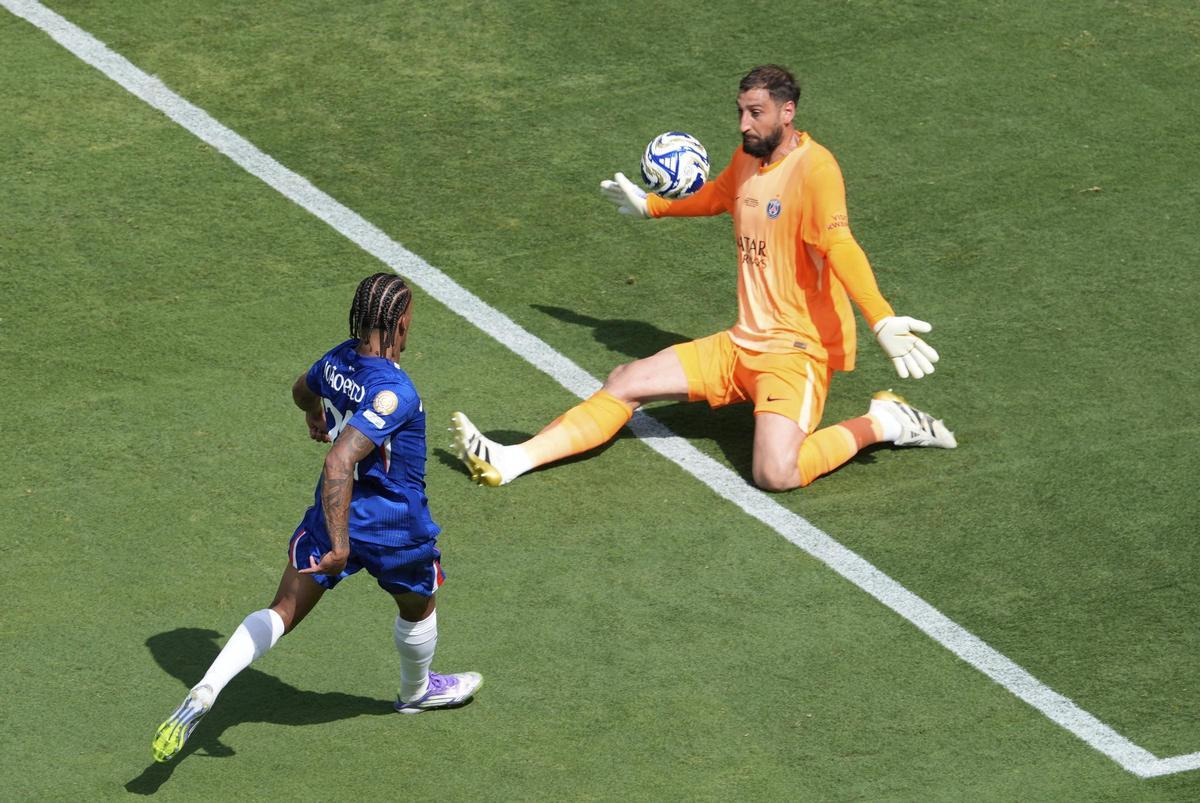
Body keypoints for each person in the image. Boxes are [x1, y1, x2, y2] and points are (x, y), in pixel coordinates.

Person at [451, 64, 954, 493]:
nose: (744, 123)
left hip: (796, 355)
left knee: (776, 472)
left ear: (787, 111)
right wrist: (655, 207)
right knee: (624, 381)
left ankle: (884, 422)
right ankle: (512, 459)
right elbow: (718, 196)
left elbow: (840, 246)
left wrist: (882, 319)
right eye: (740, 111)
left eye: (755, 112)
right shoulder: (748, 159)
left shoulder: (816, 170)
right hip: (741, 345)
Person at [152, 273, 482, 763]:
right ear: (399, 322)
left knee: (283, 607)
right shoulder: (397, 391)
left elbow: (302, 389)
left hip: (332, 513)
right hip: (396, 526)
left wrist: (314, 414)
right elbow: (339, 461)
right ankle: (416, 691)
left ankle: (206, 688)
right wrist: (344, 546)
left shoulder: (339, 359)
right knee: (419, 606)